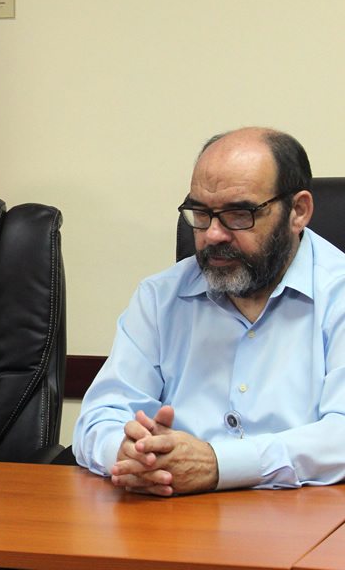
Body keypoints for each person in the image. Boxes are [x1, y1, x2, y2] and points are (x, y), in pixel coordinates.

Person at [73, 127, 345, 496]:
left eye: (238, 214)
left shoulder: (338, 294)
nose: (213, 234)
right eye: (200, 213)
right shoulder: (160, 297)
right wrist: (129, 455)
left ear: (298, 212)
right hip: (173, 517)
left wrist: (219, 464)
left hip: (307, 528)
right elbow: (98, 417)